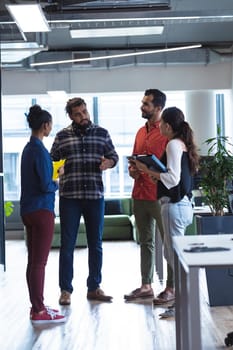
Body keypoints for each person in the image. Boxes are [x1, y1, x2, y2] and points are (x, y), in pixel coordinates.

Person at [50, 97, 119, 305]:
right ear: (71, 116)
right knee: (67, 244)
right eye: (78, 114)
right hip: (69, 197)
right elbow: (52, 160)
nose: (84, 116)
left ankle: (94, 287)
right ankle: (65, 290)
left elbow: (114, 156)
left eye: (85, 112)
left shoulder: (102, 133)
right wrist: (56, 169)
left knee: (96, 244)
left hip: (94, 197)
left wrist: (109, 162)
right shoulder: (62, 136)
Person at [133, 106, 199, 318]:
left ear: (168, 126)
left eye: (162, 123)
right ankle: (183, 303)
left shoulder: (172, 144)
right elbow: (175, 178)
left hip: (174, 207)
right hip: (184, 206)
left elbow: (173, 179)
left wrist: (147, 170)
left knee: (174, 258)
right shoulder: (183, 145)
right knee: (174, 257)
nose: (159, 125)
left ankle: (183, 304)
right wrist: (157, 176)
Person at [124, 89, 175, 303]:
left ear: (158, 108)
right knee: (145, 241)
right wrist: (133, 170)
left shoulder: (166, 133)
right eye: (143, 102)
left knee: (169, 243)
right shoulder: (139, 132)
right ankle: (146, 285)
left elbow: (170, 167)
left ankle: (171, 288)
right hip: (139, 193)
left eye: (146, 104)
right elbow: (135, 161)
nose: (142, 106)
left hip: (160, 195)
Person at [20, 104, 66, 324]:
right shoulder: (39, 150)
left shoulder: (28, 148)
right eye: (50, 125)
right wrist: (58, 178)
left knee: (33, 262)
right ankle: (39, 310)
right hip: (41, 210)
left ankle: (36, 305)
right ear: (45, 125)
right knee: (39, 263)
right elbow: (46, 184)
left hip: (28, 209)